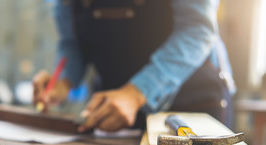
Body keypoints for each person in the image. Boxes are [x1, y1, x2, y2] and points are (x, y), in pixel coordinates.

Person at [33, 0, 235, 133]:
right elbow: (72, 41)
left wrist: (135, 94)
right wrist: (63, 82)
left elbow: (197, 31)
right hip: (114, 109)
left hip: (191, 102)